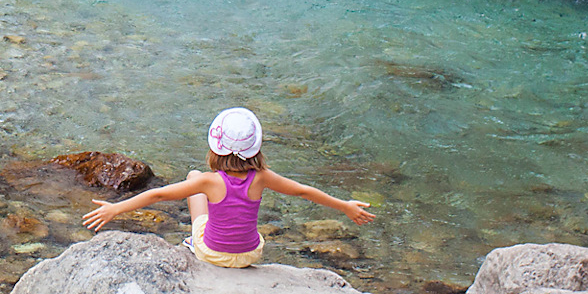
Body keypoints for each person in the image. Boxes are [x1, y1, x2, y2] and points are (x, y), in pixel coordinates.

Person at [81, 106, 376, 268]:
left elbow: (158, 194)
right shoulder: (263, 176)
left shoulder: (209, 180)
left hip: (213, 253)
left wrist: (116, 208)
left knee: (193, 180)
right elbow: (302, 191)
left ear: (216, 148)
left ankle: (192, 243)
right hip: (250, 255)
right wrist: (345, 206)